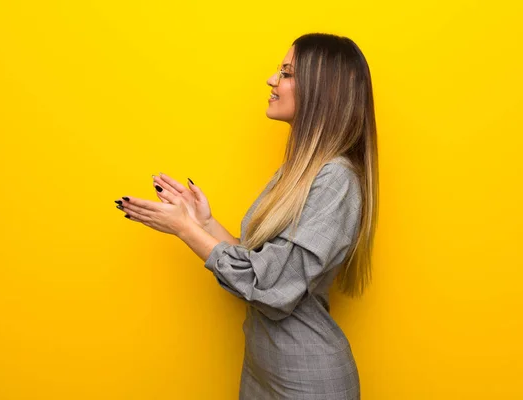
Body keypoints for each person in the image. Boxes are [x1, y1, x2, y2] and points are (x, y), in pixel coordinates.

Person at [115, 32, 379, 400]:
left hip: (308, 379)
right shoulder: (298, 171)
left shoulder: (335, 179)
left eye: (286, 73)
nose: (272, 80)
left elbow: (272, 290)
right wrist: (204, 222)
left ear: (323, 90)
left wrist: (186, 229)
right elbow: (264, 270)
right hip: (263, 369)